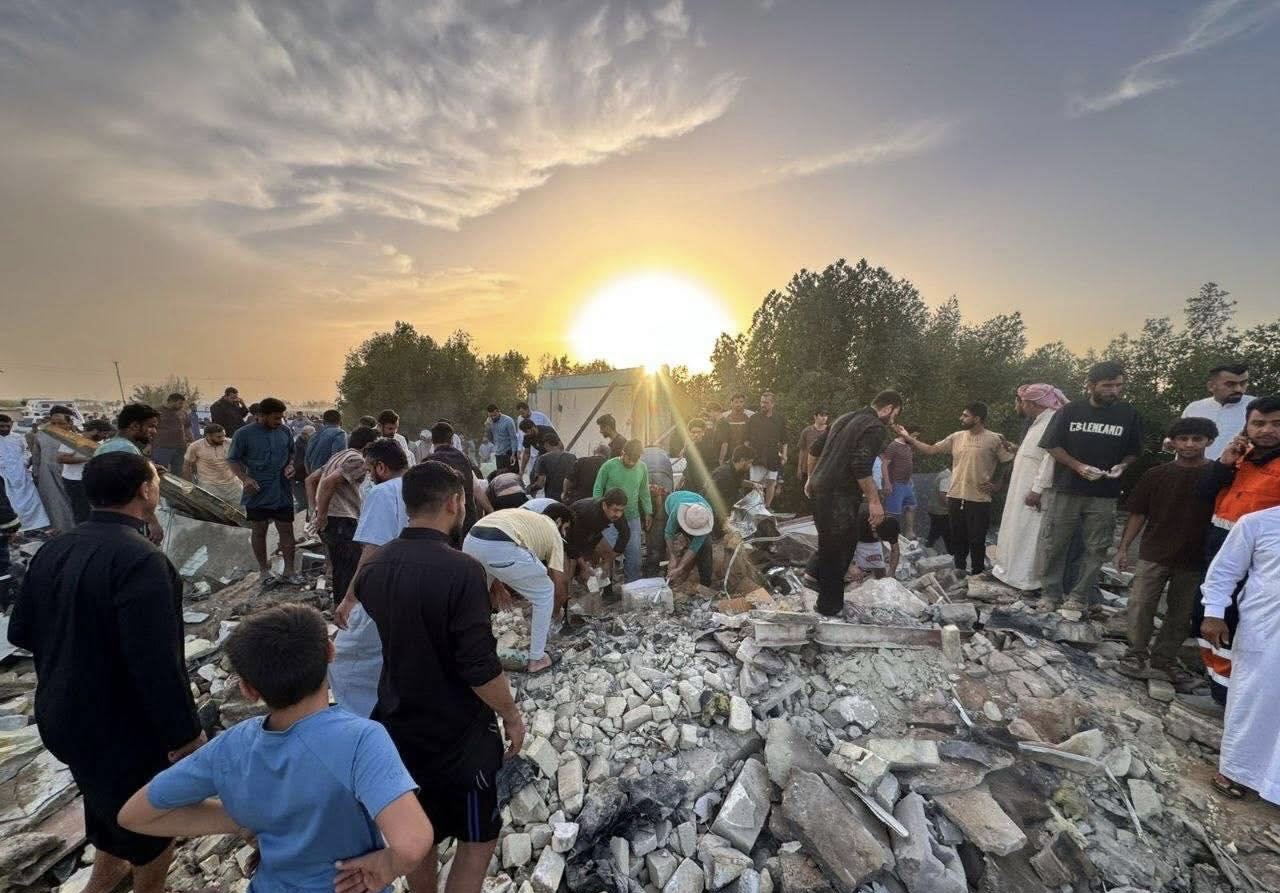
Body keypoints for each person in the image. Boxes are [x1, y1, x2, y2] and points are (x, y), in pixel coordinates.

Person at [118, 604, 432, 892]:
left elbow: (134, 815)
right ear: (331, 651)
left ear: (248, 689)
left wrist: (241, 819)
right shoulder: (361, 739)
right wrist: (385, 866)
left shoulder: (230, 747)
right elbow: (412, 843)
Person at [7, 452, 204, 893]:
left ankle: (102, 881)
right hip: (121, 728)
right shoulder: (142, 560)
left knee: (104, 804)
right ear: (145, 491)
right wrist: (185, 735)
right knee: (153, 827)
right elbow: (157, 665)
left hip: (60, 716)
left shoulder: (54, 549)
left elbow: (21, 631)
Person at [356, 462, 525, 892]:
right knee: (478, 838)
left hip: (397, 727)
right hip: (459, 735)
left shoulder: (375, 568)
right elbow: (478, 665)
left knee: (420, 831)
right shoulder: (462, 569)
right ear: (455, 502)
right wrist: (511, 715)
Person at [1192, 395, 1280, 709]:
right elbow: (1203, 494)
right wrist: (1224, 463)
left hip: (1259, 560)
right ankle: (1218, 688)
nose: (1267, 430)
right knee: (1205, 615)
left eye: (1276, 424)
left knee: (1235, 627)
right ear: (1247, 426)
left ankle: (1232, 700)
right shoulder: (1242, 457)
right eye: (1259, 423)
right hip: (1219, 548)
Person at [1114, 417, 1218, 682]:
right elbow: (1138, 513)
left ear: (1209, 441)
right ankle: (1135, 653)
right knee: (1140, 604)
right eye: (1183, 439)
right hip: (1154, 552)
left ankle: (1164, 660)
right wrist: (1123, 548)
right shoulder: (1156, 475)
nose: (1189, 444)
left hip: (1195, 557)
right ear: (1173, 442)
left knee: (1181, 614)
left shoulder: (1218, 476)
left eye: (1197, 439)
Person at [1036, 362, 1145, 615]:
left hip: (1104, 493)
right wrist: (1078, 466)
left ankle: (1079, 596)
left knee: (1096, 547)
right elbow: (1051, 445)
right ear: (1091, 385)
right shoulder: (1070, 411)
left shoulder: (1129, 414)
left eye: (1118, 386)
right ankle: (1050, 594)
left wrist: (1122, 466)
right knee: (1054, 543)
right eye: (1108, 386)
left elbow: (1134, 451)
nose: (1114, 391)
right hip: (1068, 489)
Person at [1199, 504, 1280, 803]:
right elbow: (1223, 571)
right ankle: (1235, 770)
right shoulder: (1258, 523)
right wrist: (1213, 613)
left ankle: (1274, 783)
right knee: (1253, 698)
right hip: (1266, 629)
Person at [805, 391, 904, 617]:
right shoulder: (874, 427)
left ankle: (821, 593)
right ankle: (829, 608)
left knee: (833, 544)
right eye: (894, 414)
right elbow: (860, 464)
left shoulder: (843, 418)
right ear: (888, 408)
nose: (892, 420)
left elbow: (814, 450)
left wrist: (811, 478)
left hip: (821, 490)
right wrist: (874, 501)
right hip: (839, 495)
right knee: (838, 550)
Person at [331, 439, 411, 717]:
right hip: (418, 586)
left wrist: (349, 598)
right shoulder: (420, 486)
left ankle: (361, 717)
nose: (367, 476)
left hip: (383, 589)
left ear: (381, 467)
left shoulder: (382, 493)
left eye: (368, 469)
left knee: (343, 659)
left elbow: (372, 551)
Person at [895, 402, 1015, 577]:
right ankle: (959, 572)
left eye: (965, 415)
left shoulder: (994, 439)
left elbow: (1008, 462)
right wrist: (909, 438)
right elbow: (931, 450)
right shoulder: (957, 437)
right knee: (958, 538)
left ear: (977, 418)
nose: (961, 418)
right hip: (956, 496)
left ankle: (977, 574)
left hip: (979, 498)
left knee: (977, 539)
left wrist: (998, 485)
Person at [463, 507, 568, 674]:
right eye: (566, 528)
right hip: (499, 545)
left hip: (471, 541)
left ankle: (472, 651)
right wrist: (554, 614)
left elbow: (490, 556)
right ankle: (537, 659)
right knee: (545, 591)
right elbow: (559, 584)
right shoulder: (553, 531)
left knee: (477, 601)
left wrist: (499, 588)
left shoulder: (529, 519)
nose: (564, 533)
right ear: (559, 521)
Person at [991, 385, 1067, 591]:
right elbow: (1033, 453)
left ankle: (1025, 580)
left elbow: (1049, 459)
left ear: (1032, 403)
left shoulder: (1053, 421)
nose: (1021, 406)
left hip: (1033, 489)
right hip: (1022, 485)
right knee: (1016, 528)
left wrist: (1037, 490)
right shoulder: (1039, 421)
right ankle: (1009, 573)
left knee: (1029, 533)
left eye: (1023, 402)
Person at [227, 396, 300, 585]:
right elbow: (232, 459)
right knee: (259, 530)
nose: (280, 421)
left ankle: (289, 571)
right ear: (262, 415)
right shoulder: (243, 434)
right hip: (257, 489)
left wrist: (290, 465)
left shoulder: (285, 431)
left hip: (282, 488)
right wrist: (245, 478)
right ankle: (264, 570)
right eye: (276, 417)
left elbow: (291, 452)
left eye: (281, 417)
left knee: (287, 529)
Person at [309, 427, 380, 602]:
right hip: (341, 519)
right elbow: (328, 483)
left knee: (341, 569)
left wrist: (315, 510)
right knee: (349, 570)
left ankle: (339, 607)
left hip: (334, 519)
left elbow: (310, 480)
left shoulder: (339, 455)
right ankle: (345, 611)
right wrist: (321, 515)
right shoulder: (357, 459)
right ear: (369, 445)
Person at [95, 404, 165, 544]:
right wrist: (153, 522)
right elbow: (134, 491)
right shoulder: (125, 449)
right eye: (151, 426)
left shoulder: (110, 445)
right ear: (134, 426)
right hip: (126, 521)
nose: (154, 431)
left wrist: (146, 467)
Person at [593, 439, 652, 582]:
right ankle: (606, 587)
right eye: (629, 459)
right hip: (610, 519)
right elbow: (598, 488)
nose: (632, 463)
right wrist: (599, 510)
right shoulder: (609, 466)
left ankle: (632, 586)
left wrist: (648, 511)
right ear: (622, 452)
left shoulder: (642, 467)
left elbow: (644, 491)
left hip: (632, 517)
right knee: (607, 554)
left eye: (635, 460)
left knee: (634, 556)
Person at [1182, 364, 1255, 462]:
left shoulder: (1257, 408)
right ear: (1211, 386)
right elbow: (1179, 440)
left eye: (1243, 383)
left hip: (1242, 468)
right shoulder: (1194, 408)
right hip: (1196, 468)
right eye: (1230, 384)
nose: (1238, 389)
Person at [423, 421, 478, 543]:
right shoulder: (464, 458)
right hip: (468, 520)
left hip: (443, 525)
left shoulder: (429, 462)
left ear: (432, 440)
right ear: (452, 440)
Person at [0, 414, 50, 532]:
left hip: (21, 475)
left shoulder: (18, 437)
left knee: (29, 501)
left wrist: (25, 463)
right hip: (2, 477)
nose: (5, 429)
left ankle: (32, 527)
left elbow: (26, 453)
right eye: (2, 426)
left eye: (8, 426)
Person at [566, 490, 629, 582]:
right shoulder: (588, 514)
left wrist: (608, 561)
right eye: (615, 510)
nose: (618, 514)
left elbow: (625, 534)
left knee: (608, 554)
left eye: (621, 510)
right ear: (604, 506)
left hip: (594, 531)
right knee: (573, 564)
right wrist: (584, 566)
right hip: (571, 532)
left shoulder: (617, 513)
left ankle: (606, 586)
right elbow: (574, 544)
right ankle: (572, 584)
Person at [61, 418, 113, 524]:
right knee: (82, 511)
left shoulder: (97, 443)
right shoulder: (74, 440)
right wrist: (88, 459)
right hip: (75, 481)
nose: (105, 437)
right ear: (94, 431)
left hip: (90, 480)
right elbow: (61, 458)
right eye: (104, 433)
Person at [32, 406, 76, 532]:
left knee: (73, 505)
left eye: (61, 423)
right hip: (47, 477)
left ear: (70, 423)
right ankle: (58, 533)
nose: (56, 426)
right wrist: (36, 474)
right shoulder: (40, 435)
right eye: (53, 423)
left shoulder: (77, 439)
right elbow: (36, 457)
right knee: (52, 505)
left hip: (70, 477)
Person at [664, 490, 716, 588]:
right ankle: (665, 575)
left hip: (696, 518)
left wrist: (680, 568)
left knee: (706, 546)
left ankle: (705, 585)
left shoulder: (704, 518)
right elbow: (668, 533)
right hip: (672, 503)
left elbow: (694, 548)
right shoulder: (676, 511)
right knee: (667, 544)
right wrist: (672, 556)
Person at [182, 423, 243, 505]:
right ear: (208, 436)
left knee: (242, 510)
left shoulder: (230, 443)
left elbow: (243, 460)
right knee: (212, 512)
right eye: (219, 437)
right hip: (209, 486)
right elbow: (187, 465)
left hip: (233, 486)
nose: (223, 438)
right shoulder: (195, 446)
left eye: (224, 435)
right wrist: (188, 485)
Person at [745, 391, 787, 508]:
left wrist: (784, 455)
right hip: (757, 455)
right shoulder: (753, 418)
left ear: (773, 404)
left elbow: (784, 440)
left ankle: (767, 507)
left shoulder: (779, 419)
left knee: (771, 482)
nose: (763, 405)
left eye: (766, 403)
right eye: (762, 402)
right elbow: (746, 439)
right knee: (755, 484)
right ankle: (755, 507)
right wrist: (747, 455)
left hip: (773, 455)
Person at [880, 424, 919, 542]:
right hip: (895, 483)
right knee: (892, 513)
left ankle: (909, 532)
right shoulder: (893, 446)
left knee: (911, 506)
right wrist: (887, 483)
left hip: (907, 483)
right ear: (905, 433)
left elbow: (907, 463)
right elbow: (884, 465)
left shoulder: (908, 446)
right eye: (914, 436)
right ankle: (889, 536)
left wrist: (910, 478)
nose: (915, 439)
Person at [709, 445, 757, 532]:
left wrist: (753, 485)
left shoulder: (735, 469)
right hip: (712, 515)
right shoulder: (724, 475)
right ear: (742, 460)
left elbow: (739, 481)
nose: (750, 466)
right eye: (750, 462)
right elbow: (714, 501)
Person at [151, 394, 192, 477]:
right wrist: (149, 444)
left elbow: (187, 428)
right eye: (180, 403)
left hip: (180, 448)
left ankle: (176, 486)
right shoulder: (156, 412)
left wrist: (191, 440)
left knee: (179, 473)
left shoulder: (183, 413)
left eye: (182, 403)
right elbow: (150, 428)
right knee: (160, 472)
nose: (182, 406)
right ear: (171, 401)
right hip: (162, 447)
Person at [531, 433, 576, 502]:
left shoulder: (542, 458)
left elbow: (540, 483)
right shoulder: (572, 457)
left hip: (552, 498)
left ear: (546, 444)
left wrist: (531, 488)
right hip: (569, 497)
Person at [795, 409, 829, 501]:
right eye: (822, 415)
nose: (824, 418)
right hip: (807, 469)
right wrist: (799, 468)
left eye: (826, 415)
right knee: (807, 496)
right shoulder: (807, 431)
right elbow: (802, 450)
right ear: (815, 416)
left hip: (824, 469)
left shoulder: (829, 431)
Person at [306, 409, 348, 473]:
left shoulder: (314, 435)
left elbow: (307, 458)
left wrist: (312, 475)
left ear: (323, 422)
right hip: (328, 475)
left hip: (313, 474)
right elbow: (338, 459)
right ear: (341, 422)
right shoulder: (340, 433)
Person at [715, 394, 752, 464]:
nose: (739, 404)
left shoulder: (749, 417)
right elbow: (724, 442)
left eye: (741, 402)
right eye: (736, 402)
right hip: (728, 456)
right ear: (731, 403)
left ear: (744, 403)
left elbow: (747, 440)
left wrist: (745, 457)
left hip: (742, 456)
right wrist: (721, 459)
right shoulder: (725, 417)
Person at [924, 468, 954, 554]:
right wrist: (954, 508)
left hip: (937, 510)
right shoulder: (947, 477)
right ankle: (951, 553)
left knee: (937, 531)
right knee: (947, 534)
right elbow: (943, 495)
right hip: (940, 511)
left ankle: (928, 547)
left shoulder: (946, 474)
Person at [486, 404, 519, 472]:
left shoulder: (508, 421)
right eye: (491, 416)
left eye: (494, 415)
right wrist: (488, 428)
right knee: (500, 476)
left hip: (509, 453)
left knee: (512, 475)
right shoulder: (490, 422)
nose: (493, 417)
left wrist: (513, 454)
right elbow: (490, 439)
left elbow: (513, 438)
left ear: (498, 411)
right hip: (499, 454)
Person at [293, 425, 315, 516]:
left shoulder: (306, 444)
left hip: (304, 478)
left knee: (307, 504)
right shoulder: (297, 446)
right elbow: (296, 465)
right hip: (297, 479)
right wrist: (309, 461)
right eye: (311, 435)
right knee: (304, 504)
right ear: (304, 434)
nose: (313, 437)